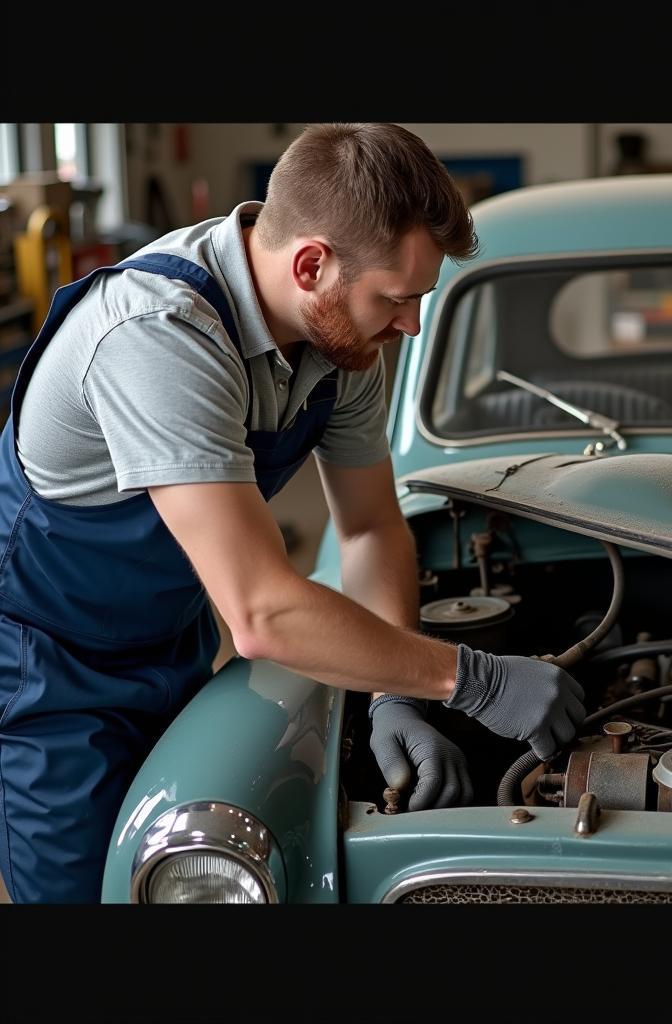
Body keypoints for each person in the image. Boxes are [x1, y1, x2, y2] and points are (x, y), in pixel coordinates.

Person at [0, 123, 585, 903]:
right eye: (398, 297)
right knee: (83, 895)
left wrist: (395, 695)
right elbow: (263, 613)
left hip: (169, 639)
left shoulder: (341, 349)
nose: (409, 324)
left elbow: (372, 526)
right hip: (46, 667)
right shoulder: (158, 336)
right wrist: (468, 678)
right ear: (311, 264)